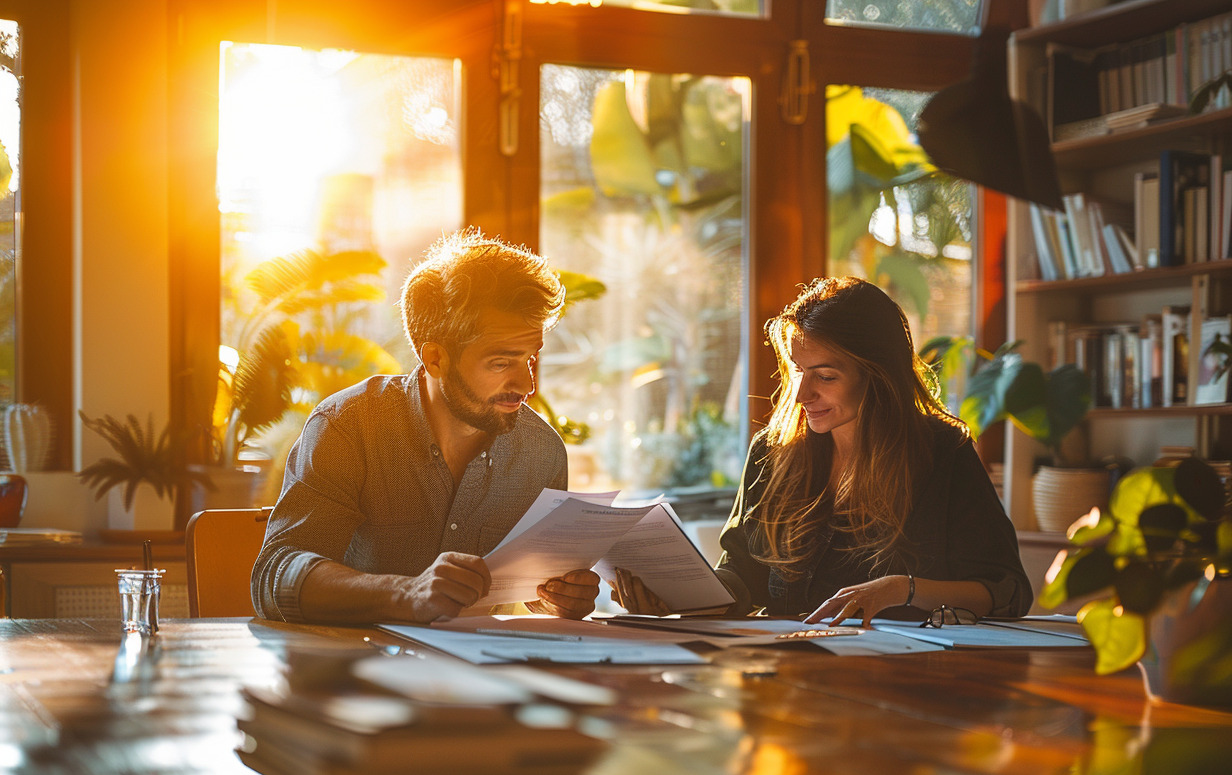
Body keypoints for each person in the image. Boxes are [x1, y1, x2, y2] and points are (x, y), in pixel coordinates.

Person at [617, 275, 1031, 622]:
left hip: (902, 678)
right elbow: (743, 578)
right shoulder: (772, 452)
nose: (801, 394)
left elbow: (1006, 591)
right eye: (798, 371)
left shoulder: (942, 453)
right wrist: (676, 594)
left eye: (826, 376)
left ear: (878, 376)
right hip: (784, 675)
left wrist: (897, 589)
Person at [251, 229, 600, 626]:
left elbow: (535, 590)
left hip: (488, 680)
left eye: (530, 360)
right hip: (357, 674)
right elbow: (274, 575)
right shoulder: (349, 427)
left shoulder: (542, 452)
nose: (526, 385)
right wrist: (404, 594)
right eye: (501, 363)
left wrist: (555, 599)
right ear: (435, 358)